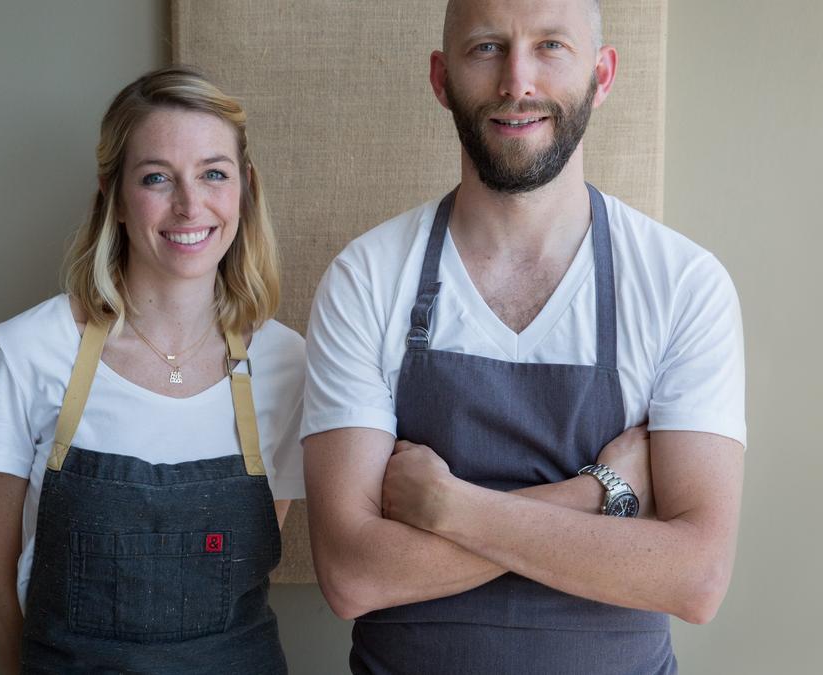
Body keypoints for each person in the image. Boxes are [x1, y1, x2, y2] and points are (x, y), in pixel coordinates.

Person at [302, 0, 746, 673]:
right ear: (441, 77)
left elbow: (696, 578)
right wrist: (596, 494)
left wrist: (447, 506)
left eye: (549, 47)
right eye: (486, 48)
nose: (517, 81)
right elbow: (353, 575)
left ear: (602, 74)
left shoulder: (683, 283)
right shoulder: (366, 277)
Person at [0, 66, 304, 674]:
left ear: (245, 189)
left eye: (213, 174)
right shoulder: (24, 352)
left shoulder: (287, 365)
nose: (189, 205)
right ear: (113, 197)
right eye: (156, 178)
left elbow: (248, 566)